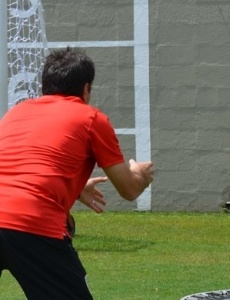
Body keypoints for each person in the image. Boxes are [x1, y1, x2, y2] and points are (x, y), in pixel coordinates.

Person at [0, 47, 154, 300]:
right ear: (86, 89)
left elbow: (18, 169)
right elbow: (129, 190)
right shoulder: (91, 118)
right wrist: (140, 174)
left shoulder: (16, 112)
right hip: (33, 225)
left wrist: (75, 187)